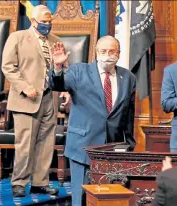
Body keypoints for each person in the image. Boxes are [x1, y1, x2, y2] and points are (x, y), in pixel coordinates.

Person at [49, 35, 136, 206]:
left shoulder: (128, 77)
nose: (107, 55)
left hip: (112, 147)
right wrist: (58, 67)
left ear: (118, 53)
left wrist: (129, 145)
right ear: (96, 52)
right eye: (103, 51)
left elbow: (128, 114)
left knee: (110, 196)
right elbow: (58, 85)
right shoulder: (78, 71)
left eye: (112, 51)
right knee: (81, 198)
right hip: (83, 145)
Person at [2, 5, 60, 197]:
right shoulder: (17, 38)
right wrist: (25, 87)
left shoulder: (56, 41)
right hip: (26, 98)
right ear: (33, 21)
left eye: (49, 21)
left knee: (46, 142)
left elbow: (63, 69)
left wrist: (63, 84)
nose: (47, 25)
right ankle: (19, 182)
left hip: (49, 98)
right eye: (43, 22)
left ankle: (40, 182)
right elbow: (8, 67)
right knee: (25, 143)